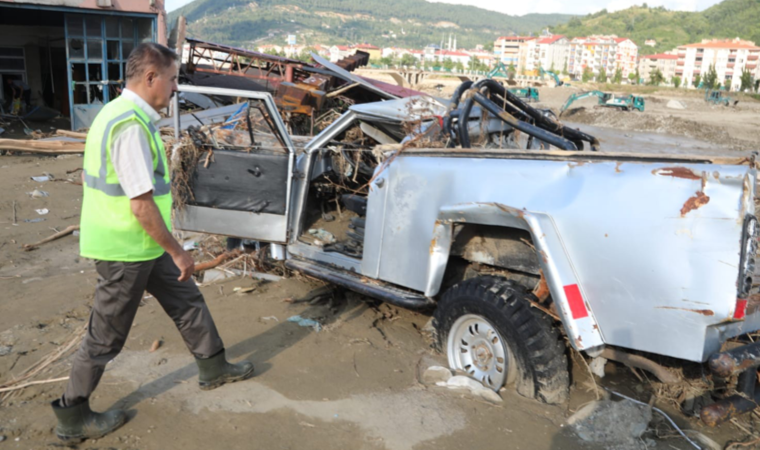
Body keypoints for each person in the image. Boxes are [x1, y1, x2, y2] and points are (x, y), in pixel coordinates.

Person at [51, 43, 254, 442]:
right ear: (150, 78)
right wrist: (178, 248)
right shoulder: (129, 126)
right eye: (174, 78)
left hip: (143, 246)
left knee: (187, 298)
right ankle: (71, 418)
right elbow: (141, 205)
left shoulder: (116, 114)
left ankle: (213, 367)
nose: (177, 87)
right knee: (105, 336)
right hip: (126, 249)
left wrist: (172, 252)